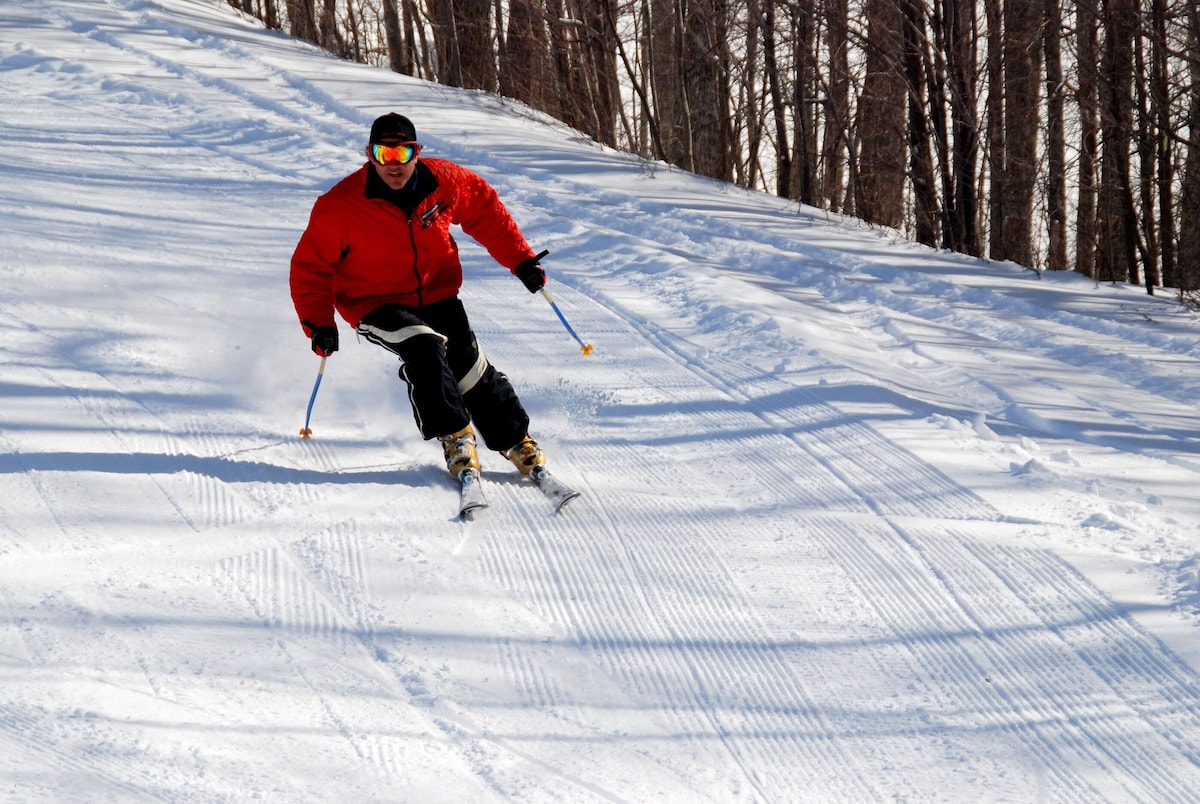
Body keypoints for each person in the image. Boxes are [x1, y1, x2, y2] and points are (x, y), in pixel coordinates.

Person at [290, 112, 552, 480]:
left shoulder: (444, 181)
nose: (393, 165)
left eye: (403, 154)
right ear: (370, 154)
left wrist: (521, 260)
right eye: (384, 154)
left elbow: (485, 211)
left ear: (417, 152)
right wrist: (319, 323)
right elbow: (310, 268)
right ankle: (456, 437)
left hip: (437, 293)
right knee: (424, 346)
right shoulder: (340, 206)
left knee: (468, 365)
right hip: (373, 302)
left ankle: (515, 439)